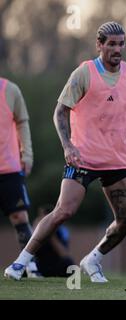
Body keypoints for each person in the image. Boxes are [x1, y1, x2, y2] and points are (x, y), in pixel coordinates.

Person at [4, 21, 126, 283]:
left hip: (116, 160)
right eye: (111, 44)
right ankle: (20, 263)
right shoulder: (84, 73)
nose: (117, 49)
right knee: (63, 211)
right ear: (99, 45)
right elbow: (60, 112)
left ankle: (93, 259)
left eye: (121, 44)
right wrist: (68, 145)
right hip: (83, 158)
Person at [0, 76, 41, 277]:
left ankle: (29, 265)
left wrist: (27, 154)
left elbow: (22, 123)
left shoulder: (10, 89)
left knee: (20, 216)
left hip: (9, 167)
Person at [33, 205, 75, 277]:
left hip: (56, 263)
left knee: (69, 264)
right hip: (40, 263)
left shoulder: (61, 230)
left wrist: (51, 235)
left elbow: (64, 254)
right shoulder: (34, 231)